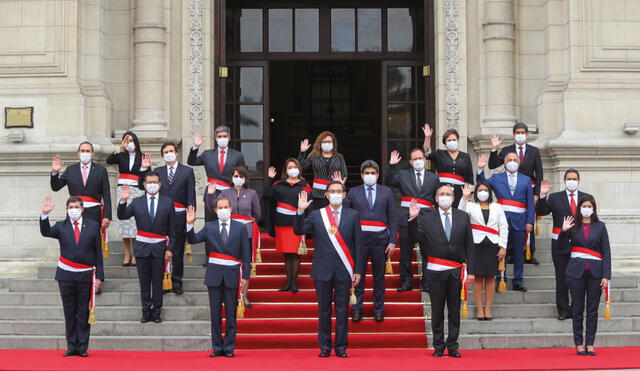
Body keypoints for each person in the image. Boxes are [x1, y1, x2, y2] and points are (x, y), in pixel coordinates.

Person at [294, 181, 364, 358]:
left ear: (344, 194)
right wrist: (300, 211)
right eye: (332, 191)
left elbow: (359, 245)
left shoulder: (353, 215)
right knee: (323, 310)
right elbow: (298, 230)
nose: (335, 194)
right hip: (322, 269)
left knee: (342, 310)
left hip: (344, 269)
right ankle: (324, 346)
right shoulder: (318, 215)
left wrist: (358, 270)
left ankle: (341, 347)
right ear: (326, 195)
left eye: (338, 191)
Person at [408, 185, 473, 358]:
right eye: (441, 194)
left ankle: (453, 345)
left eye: (448, 194)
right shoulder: (426, 217)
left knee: (454, 310)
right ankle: (438, 346)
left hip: (456, 271)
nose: (445, 197)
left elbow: (469, 245)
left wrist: (471, 270)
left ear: (453, 198)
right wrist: (413, 219)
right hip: (435, 271)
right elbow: (415, 238)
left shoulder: (463, 216)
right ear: (436, 199)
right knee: (437, 310)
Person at [40, 195, 104, 357]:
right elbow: (46, 232)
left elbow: (98, 253)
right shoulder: (61, 226)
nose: (74, 210)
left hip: (85, 275)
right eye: (71, 208)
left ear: (82, 209)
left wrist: (99, 277)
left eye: (77, 207)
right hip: (66, 275)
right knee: (69, 312)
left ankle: (82, 347)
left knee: (83, 311)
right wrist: (45, 214)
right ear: (67, 210)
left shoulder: (93, 225)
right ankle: (71, 346)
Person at [185, 199, 251, 358]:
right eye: (220, 208)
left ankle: (228, 347)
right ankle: (216, 347)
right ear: (215, 210)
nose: (223, 210)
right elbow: (193, 240)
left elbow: (246, 254)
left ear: (231, 208)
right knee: (215, 313)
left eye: (225, 207)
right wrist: (189, 224)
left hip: (232, 274)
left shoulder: (240, 228)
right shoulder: (209, 227)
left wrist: (246, 276)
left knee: (230, 313)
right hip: (214, 275)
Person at [117, 172, 176, 323]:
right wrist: (123, 201)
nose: (151, 185)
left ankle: (156, 312)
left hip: (159, 248)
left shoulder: (168, 202)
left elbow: (173, 229)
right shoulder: (137, 202)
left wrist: (170, 249)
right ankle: (145, 312)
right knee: (144, 282)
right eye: (148, 182)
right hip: (142, 247)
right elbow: (122, 216)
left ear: (160, 184)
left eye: (154, 182)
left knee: (157, 282)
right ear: (143, 185)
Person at [343, 160, 397, 322]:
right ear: (361, 175)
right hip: (359, 241)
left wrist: (393, 241)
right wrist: (340, 190)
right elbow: (344, 212)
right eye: (367, 173)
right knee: (358, 275)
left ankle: (378, 308)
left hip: (381, 239)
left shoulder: (386, 192)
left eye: (373, 173)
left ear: (378, 175)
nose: (370, 176)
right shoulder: (353, 192)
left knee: (379, 277)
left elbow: (393, 217)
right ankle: (357, 308)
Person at [557, 195, 611, 356]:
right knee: (577, 309)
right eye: (584, 206)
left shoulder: (600, 227)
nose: (586, 208)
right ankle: (579, 343)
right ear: (579, 208)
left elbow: (606, 252)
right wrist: (563, 231)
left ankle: (590, 343)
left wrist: (606, 276)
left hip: (596, 272)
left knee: (593, 310)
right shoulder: (572, 226)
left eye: (589, 206)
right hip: (575, 272)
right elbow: (561, 248)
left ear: (593, 208)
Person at [536, 170, 591, 320]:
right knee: (561, 278)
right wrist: (542, 195)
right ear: (564, 180)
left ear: (579, 180)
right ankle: (563, 310)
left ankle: (576, 309)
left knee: (578, 278)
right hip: (560, 244)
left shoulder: (586, 198)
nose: (571, 181)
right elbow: (541, 211)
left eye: (574, 179)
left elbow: (592, 220)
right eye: (569, 179)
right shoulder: (555, 197)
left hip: (581, 244)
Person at [477, 152, 534, 292]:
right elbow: (482, 184)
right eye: (510, 160)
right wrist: (480, 169)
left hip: (520, 220)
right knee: (501, 251)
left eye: (515, 160)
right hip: (501, 221)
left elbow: (530, 203)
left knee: (519, 253)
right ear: (504, 162)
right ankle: (500, 279)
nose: (512, 162)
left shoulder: (526, 179)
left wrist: (530, 221)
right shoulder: (497, 177)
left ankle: (518, 281)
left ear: (519, 162)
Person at [488, 123, 543, 265]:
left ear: (526, 134)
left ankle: (530, 253)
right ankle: (511, 252)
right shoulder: (507, 150)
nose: (520, 134)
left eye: (522, 132)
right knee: (509, 224)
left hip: (527, 189)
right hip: (511, 191)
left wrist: (536, 193)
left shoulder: (534, 151)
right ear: (513, 135)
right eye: (517, 132)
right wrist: (494, 149)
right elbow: (492, 165)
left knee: (529, 220)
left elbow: (539, 173)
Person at [385, 148, 438, 292]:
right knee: (406, 252)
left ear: (425, 160)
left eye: (420, 158)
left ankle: (426, 282)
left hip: (427, 218)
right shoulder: (403, 174)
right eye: (415, 159)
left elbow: (437, 199)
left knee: (428, 251)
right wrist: (392, 165)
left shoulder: (433, 177)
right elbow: (388, 180)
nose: (418, 161)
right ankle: (407, 281)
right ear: (410, 162)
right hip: (406, 217)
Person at [208, 166, 261, 307]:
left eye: (241, 176)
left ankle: (244, 296)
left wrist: (248, 222)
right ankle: (229, 294)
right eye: (235, 176)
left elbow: (257, 214)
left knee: (245, 264)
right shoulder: (225, 193)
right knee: (231, 263)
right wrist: (211, 195)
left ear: (245, 178)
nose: (238, 178)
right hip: (228, 232)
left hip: (247, 233)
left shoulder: (252, 193)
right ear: (231, 177)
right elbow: (213, 208)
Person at [459, 182, 508, 320]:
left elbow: (504, 227)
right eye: (480, 189)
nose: (483, 192)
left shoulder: (497, 207)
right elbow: (460, 214)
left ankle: (488, 308)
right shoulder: (470, 206)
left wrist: (503, 246)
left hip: (493, 245)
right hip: (475, 245)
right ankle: (480, 308)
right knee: (478, 277)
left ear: (490, 192)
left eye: (485, 189)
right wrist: (464, 198)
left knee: (491, 277)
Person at [152, 142, 196, 295]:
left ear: (176, 153)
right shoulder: (157, 171)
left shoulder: (187, 171)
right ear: (162, 155)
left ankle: (177, 281)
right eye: (165, 151)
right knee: (162, 249)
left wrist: (191, 214)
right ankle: (164, 280)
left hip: (179, 215)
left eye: (171, 151)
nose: (169, 153)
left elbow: (191, 195)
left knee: (177, 250)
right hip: (162, 216)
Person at [263, 159, 312, 293]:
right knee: (286, 255)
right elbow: (267, 195)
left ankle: (294, 283)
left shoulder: (304, 186)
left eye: (295, 166)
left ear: (299, 169)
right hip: (281, 223)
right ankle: (288, 283)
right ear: (286, 170)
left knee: (295, 254)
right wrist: (269, 179)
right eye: (290, 167)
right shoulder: (279, 184)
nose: (293, 169)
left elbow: (309, 206)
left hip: (297, 223)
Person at [50, 141, 112, 241]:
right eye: (83, 151)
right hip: (75, 211)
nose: (85, 153)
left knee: (93, 242)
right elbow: (56, 187)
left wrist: (107, 216)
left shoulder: (101, 170)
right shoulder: (71, 169)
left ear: (93, 154)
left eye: (88, 151)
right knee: (74, 240)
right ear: (78, 153)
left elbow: (106, 194)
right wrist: (55, 172)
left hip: (94, 212)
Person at [107, 131, 151, 267]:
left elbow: (148, 177)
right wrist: (120, 147)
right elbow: (109, 161)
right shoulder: (121, 155)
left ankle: (136, 254)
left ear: (136, 142)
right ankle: (127, 254)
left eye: (132, 140)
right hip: (123, 190)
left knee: (135, 223)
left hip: (137, 191)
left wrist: (144, 168)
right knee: (125, 223)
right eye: (127, 140)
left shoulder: (143, 157)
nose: (129, 143)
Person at [188, 126, 246, 221]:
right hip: (212, 192)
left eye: (224, 136)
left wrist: (241, 194)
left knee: (229, 223)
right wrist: (196, 146)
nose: (222, 138)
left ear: (229, 137)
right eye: (219, 136)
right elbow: (191, 162)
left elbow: (243, 175)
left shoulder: (237, 155)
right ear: (215, 138)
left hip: (230, 192)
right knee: (210, 224)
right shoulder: (207, 154)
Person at [422, 125, 474, 208]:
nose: (452, 141)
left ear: (458, 141)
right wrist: (427, 137)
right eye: (449, 140)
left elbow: (470, 177)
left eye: (454, 140)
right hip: (442, 190)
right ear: (445, 143)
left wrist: (468, 194)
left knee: (458, 215)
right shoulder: (439, 154)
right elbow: (426, 152)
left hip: (460, 192)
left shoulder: (465, 156)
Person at [298, 131, 348, 210]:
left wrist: (340, 183)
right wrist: (302, 152)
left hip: (334, 193)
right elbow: (301, 167)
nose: (327, 143)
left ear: (333, 143)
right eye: (324, 142)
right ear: (320, 143)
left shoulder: (339, 157)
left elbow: (345, 174)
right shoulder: (314, 156)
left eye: (329, 142)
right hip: (318, 195)